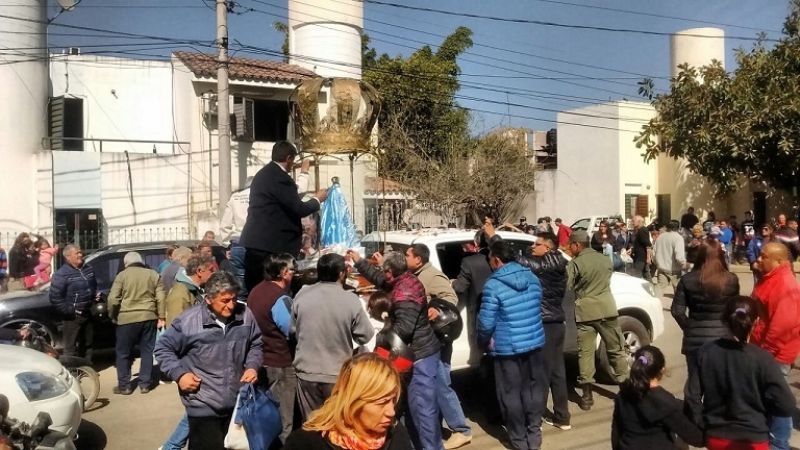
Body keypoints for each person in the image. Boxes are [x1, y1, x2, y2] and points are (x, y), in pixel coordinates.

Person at [155, 270, 262, 450]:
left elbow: (256, 344)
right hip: (202, 404)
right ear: (209, 299)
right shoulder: (188, 321)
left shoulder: (245, 316)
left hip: (237, 403)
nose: (231, 305)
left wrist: (252, 366)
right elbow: (163, 348)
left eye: (234, 299)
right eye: (225, 301)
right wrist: (180, 375)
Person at [352, 251, 444, 450]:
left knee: (423, 413)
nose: (383, 274)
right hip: (411, 355)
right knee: (410, 412)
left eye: (385, 270)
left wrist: (381, 328)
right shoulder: (400, 280)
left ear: (390, 272)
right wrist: (359, 262)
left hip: (419, 356)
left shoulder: (406, 293)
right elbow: (380, 279)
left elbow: (404, 328)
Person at [686, 296, 795, 450]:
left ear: (724, 320)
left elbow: (692, 396)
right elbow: (787, 404)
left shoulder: (706, 352)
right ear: (756, 322)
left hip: (716, 437)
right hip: (754, 440)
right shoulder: (762, 358)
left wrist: (703, 423)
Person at [478, 240, 546, 450]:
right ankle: (534, 435)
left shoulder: (492, 285)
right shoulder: (533, 278)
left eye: (490, 259)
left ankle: (518, 440)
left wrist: (483, 342)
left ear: (497, 260)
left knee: (510, 394)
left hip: (507, 348)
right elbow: (537, 305)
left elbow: (486, 322)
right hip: (534, 343)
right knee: (532, 390)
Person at [404, 244, 471, 449]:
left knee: (441, 383)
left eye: (407, 254)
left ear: (418, 259)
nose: (404, 257)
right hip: (425, 340)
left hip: (438, 339)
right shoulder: (413, 274)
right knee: (432, 386)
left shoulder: (432, 276)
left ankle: (461, 430)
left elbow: (451, 297)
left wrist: (434, 306)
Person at [292, 253, 375, 420]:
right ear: (341, 274)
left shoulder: (302, 295)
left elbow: (293, 330)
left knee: (311, 425)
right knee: (336, 425)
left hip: (307, 372)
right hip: (336, 374)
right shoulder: (350, 300)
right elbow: (365, 335)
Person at [240, 141, 328, 291]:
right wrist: (317, 199)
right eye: (292, 161)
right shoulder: (280, 178)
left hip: (257, 244)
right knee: (270, 290)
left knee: (255, 291)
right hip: (270, 247)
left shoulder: (263, 174)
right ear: (288, 159)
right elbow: (298, 208)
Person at [670, 240, 739, 423]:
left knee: (695, 383)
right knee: (721, 380)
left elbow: (677, 311)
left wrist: (690, 327)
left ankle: (696, 422)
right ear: (721, 256)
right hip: (723, 338)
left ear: (699, 256)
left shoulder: (688, 280)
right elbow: (735, 309)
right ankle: (718, 418)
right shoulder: (731, 280)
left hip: (695, 339)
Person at [283, 353, 413, 450]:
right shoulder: (305, 444)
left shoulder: (396, 435)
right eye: (382, 403)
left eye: (393, 401)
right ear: (353, 401)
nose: (391, 412)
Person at [567, 230, 628, 410]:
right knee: (616, 349)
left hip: (585, 313)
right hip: (607, 309)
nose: (570, 248)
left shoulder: (575, 264)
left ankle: (586, 396)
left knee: (585, 354)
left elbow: (568, 285)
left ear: (577, 245)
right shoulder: (605, 260)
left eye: (571, 245)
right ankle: (625, 390)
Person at [750, 242, 800, 450]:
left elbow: (783, 326)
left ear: (779, 261)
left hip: (775, 354)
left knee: (777, 400)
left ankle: (779, 443)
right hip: (762, 348)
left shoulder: (786, 285)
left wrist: (765, 355)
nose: (758, 260)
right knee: (767, 398)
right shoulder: (770, 278)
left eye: (764, 257)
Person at [521, 232, 571, 431]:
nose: (533, 247)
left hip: (546, 324)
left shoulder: (547, 265)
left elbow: (521, 260)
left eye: (537, 244)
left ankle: (536, 419)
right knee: (557, 372)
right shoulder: (559, 263)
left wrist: (494, 239)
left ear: (548, 248)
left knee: (540, 373)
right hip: (556, 322)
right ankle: (562, 417)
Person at [246, 252, 298, 444]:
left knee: (268, 417)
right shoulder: (280, 298)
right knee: (284, 420)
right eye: (293, 270)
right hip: (281, 363)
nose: (295, 274)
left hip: (262, 360)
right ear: (284, 273)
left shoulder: (256, 291)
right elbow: (292, 331)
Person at [611, 345, 703, 450]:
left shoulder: (623, 394)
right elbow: (695, 438)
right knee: (680, 442)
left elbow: (616, 432)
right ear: (662, 370)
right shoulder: (665, 402)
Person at [107, 251, 166, 395]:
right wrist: (161, 316)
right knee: (146, 351)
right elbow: (161, 297)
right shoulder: (153, 274)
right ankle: (145, 384)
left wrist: (113, 315)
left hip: (126, 319)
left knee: (123, 353)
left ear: (126, 263)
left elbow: (112, 299)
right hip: (148, 316)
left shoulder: (122, 276)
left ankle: (125, 386)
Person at [49, 245, 98, 362]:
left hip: (88, 311)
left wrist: (95, 294)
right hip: (72, 317)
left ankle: (87, 369)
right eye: (77, 253)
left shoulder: (88, 269)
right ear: (68, 257)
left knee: (87, 343)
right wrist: (70, 310)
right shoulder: (61, 274)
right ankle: (72, 371)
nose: (80, 255)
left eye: (81, 252)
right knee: (70, 347)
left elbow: (93, 285)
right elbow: (54, 298)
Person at [164, 254, 216, 327]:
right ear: (199, 271)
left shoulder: (198, 290)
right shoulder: (181, 292)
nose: (214, 273)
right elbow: (174, 326)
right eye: (211, 270)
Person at [652, 221, 686, 296]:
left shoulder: (660, 237)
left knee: (659, 288)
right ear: (678, 228)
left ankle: (652, 304)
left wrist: (657, 263)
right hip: (675, 269)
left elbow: (654, 253)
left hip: (661, 268)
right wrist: (685, 265)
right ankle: (676, 307)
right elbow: (679, 257)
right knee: (678, 292)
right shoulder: (678, 238)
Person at [631, 216, 652, 281]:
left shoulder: (642, 230)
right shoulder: (639, 230)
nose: (632, 223)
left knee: (636, 276)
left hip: (641, 258)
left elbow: (648, 245)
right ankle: (651, 288)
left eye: (633, 221)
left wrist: (648, 258)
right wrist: (632, 249)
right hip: (640, 257)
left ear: (639, 221)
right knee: (646, 274)